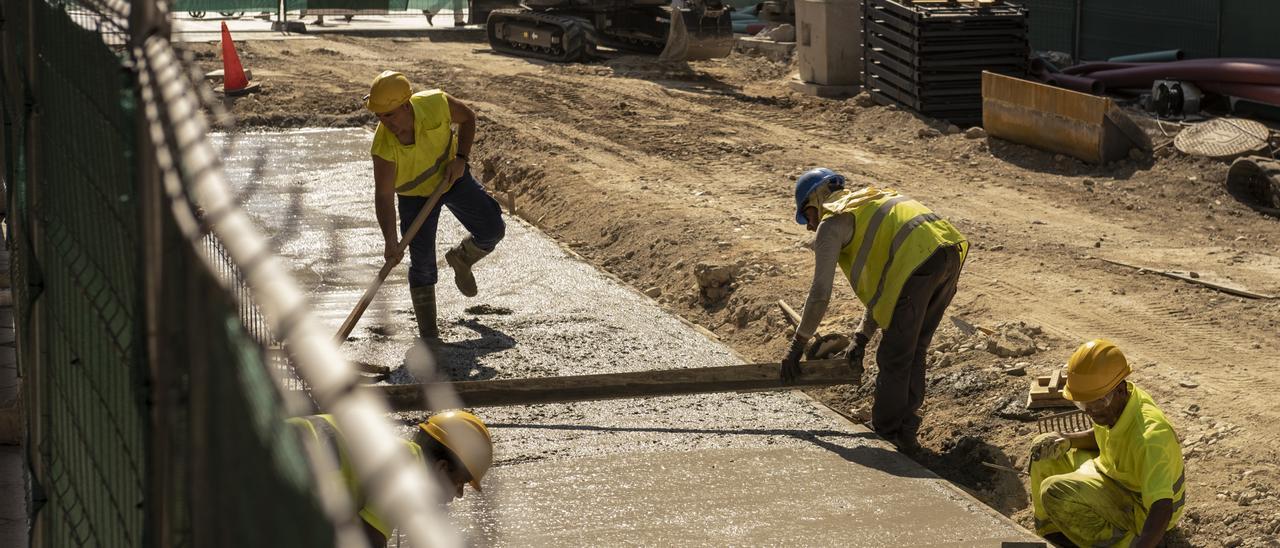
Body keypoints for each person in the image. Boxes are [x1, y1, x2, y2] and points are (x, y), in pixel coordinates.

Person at [780, 168, 967, 452]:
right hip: (948, 253)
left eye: (806, 216)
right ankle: (905, 430)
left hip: (919, 263)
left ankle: (887, 433)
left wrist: (798, 343)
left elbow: (819, 295)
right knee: (913, 348)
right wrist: (861, 337)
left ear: (816, 200)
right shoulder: (869, 201)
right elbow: (886, 287)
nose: (808, 226)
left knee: (894, 355)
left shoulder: (831, 224)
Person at [366, 70, 505, 342]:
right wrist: (391, 242)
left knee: (492, 229)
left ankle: (462, 257)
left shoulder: (435, 104)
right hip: (414, 197)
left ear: (406, 105)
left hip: (451, 177)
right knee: (423, 266)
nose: (385, 122)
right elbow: (383, 196)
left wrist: (461, 158)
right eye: (380, 116)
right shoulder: (383, 146)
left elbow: (468, 118)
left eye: (390, 114)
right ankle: (429, 335)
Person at [1028, 340, 1185, 547]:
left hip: (1142, 507)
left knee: (1055, 491)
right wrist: (1066, 440)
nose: (1090, 411)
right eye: (1082, 404)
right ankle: (1053, 533)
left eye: (1096, 403)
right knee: (1044, 447)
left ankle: (1128, 543)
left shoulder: (1150, 438)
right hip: (1113, 473)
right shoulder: (1115, 404)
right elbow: (1105, 436)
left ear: (1119, 391)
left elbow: (1162, 506)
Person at [288, 410, 494, 547]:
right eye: (460, 483)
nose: (458, 495)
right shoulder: (407, 473)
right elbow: (370, 540)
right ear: (442, 467)